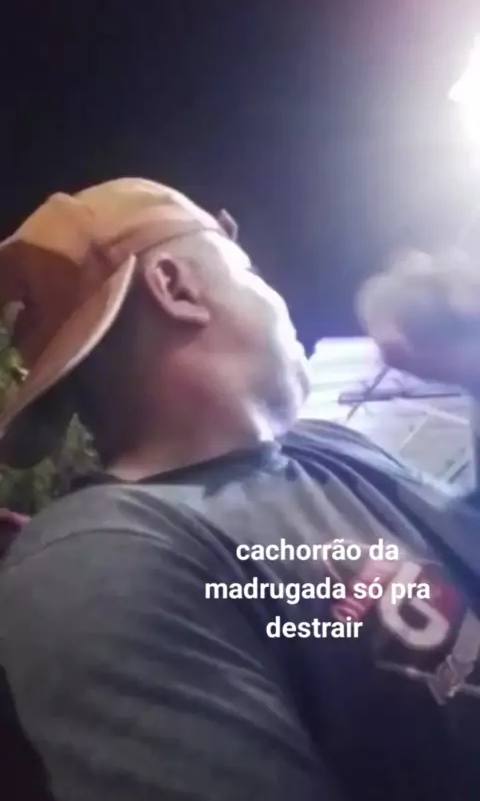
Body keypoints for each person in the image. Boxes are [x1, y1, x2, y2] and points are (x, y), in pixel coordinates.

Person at [0, 178, 479, 801]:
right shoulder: (101, 560)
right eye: (247, 269)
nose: (274, 293)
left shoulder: (325, 446)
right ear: (177, 288)